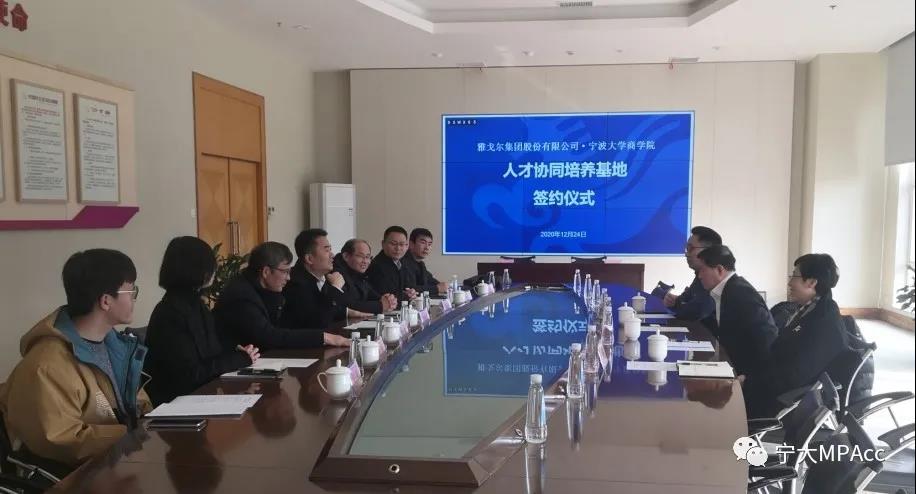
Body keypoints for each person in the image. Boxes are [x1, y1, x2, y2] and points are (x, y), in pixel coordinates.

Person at [0, 249, 151, 467]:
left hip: (118, 461)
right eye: (131, 291)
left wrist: (150, 422)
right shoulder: (47, 365)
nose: (134, 298)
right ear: (106, 301)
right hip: (79, 474)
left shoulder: (115, 345)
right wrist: (129, 434)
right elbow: (61, 439)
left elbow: (136, 402)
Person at [144, 236, 260, 406]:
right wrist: (239, 359)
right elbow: (191, 374)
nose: (214, 271)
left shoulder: (195, 304)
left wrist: (236, 351)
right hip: (177, 405)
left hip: (202, 397)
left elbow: (210, 351)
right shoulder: (171, 313)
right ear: (198, 269)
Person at [743, 254, 849, 418]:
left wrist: (750, 382)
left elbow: (794, 375)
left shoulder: (823, 322)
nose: (789, 283)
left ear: (812, 282)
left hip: (784, 401)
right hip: (771, 383)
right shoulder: (810, 309)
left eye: (794, 276)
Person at [213, 241, 350, 351]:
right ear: (266, 272)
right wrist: (325, 338)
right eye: (285, 272)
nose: (288, 278)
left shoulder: (262, 287)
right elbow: (269, 336)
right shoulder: (241, 296)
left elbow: (285, 326)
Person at [694, 245, 777, 379]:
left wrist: (749, 378)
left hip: (747, 375)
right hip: (731, 366)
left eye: (702, 270)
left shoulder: (740, 294)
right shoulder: (728, 289)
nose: (699, 276)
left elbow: (765, 338)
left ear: (719, 270)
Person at [281, 229, 371, 330]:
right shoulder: (296, 283)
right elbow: (318, 322)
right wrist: (336, 288)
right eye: (327, 250)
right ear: (309, 259)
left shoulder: (322, 276)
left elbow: (327, 306)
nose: (332, 255)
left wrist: (348, 312)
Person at [663, 226, 721, 320]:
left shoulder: (715, 278)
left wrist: (681, 305)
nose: (686, 254)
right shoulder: (699, 275)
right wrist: (674, 302)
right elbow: (684, 300)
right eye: (687, 249)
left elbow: (697, 312)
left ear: (708, 251)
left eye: (691, 248)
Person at [333, 239, 398, 314]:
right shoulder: (337, 274)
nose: (365, 261)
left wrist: (388, 300)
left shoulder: (359, 273)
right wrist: (380, 306)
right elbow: (350, 304)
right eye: (361, 256)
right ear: (346, 256)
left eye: (368, 257)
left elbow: (370, 294)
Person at [366, 226, 418, 302]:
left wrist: (412, 292)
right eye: (393, 244)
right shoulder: (377, 266)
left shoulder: (404, 262)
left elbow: (410, 285)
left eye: (402, 244)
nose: (398, 248)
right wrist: (406, 295)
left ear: (407, 246)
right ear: (383, 244)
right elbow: (386, 294)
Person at [401, 228, 448, 295]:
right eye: (423, 243)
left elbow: (431, 281)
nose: (427, 248)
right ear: (411, 244)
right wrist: (437, 288)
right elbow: (410, 289)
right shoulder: (403, 262)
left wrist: (443, 286)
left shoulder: (420, 264)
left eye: (429, 244)